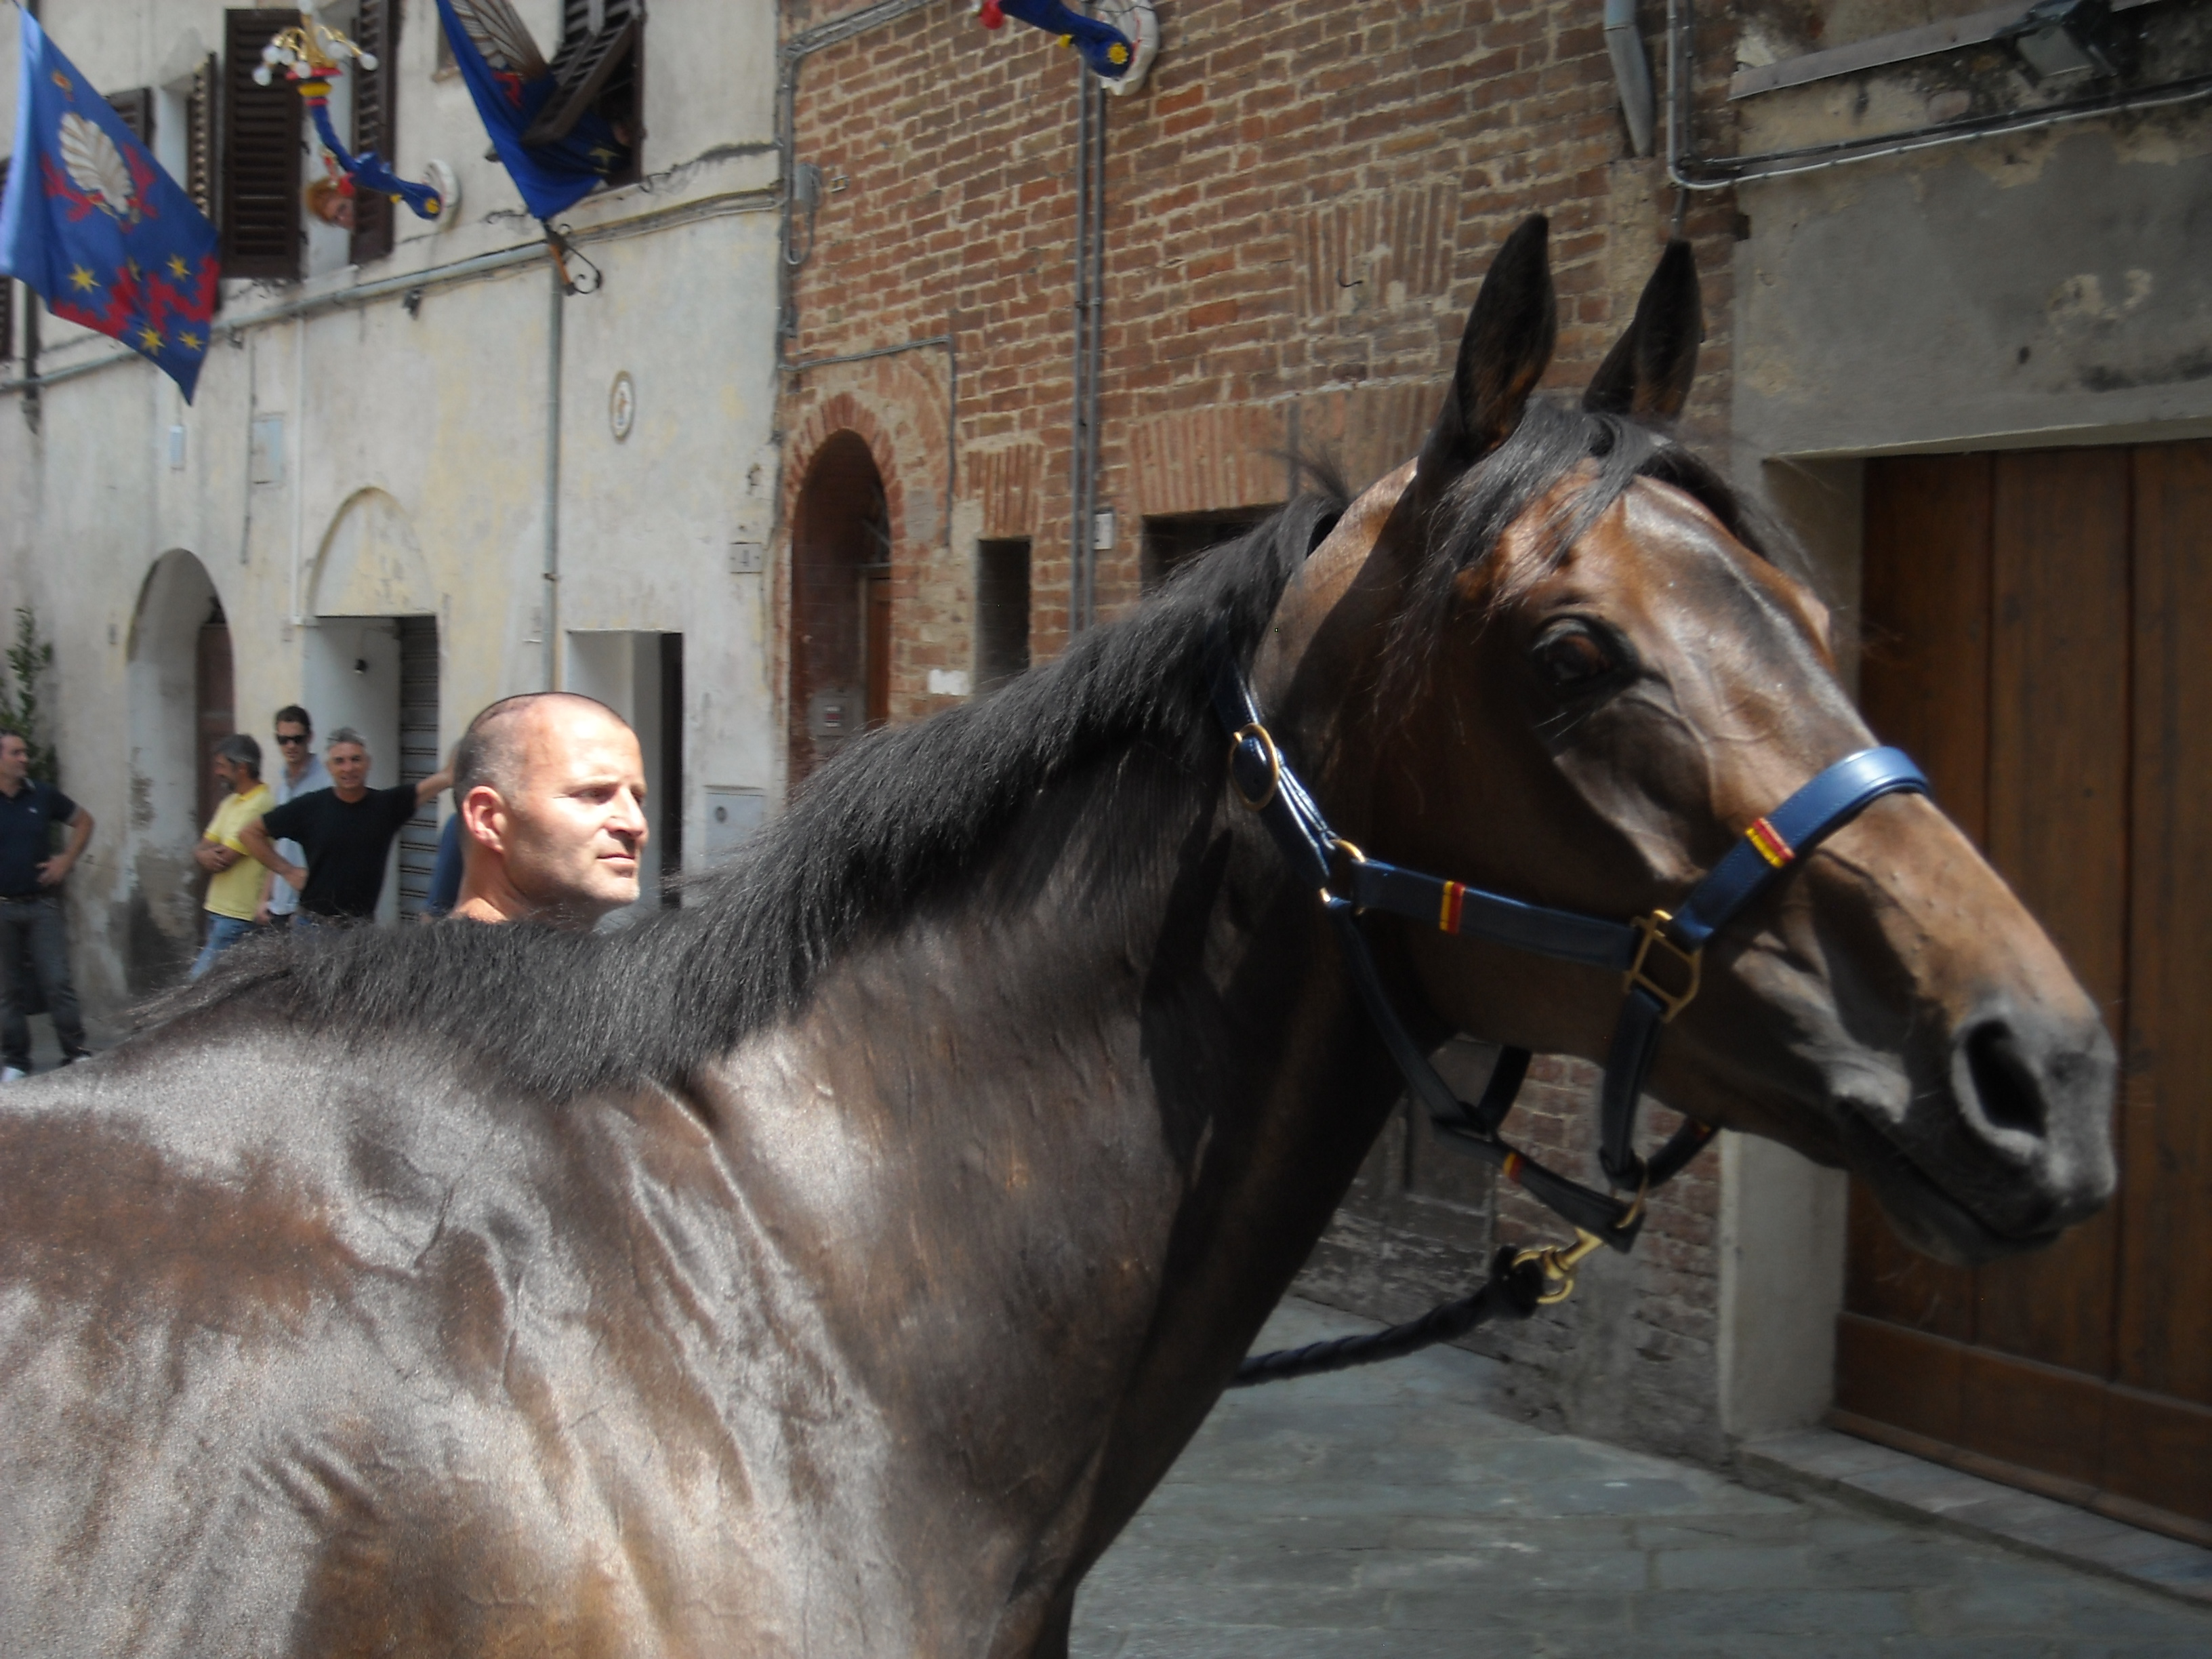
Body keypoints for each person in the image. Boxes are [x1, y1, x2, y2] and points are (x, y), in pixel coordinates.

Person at [448, 693, 649, 930]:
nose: (636, 824)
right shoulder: (440, 956)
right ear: (489, 819)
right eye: (593, 794)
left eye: (637, 799)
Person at [241, 728, 450, 925]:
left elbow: (442, 779)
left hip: (361, 931)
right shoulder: (310, 807)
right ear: (329, 767)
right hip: (314, 928)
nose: (348, 768)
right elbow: (250, 833)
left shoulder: (386, 806)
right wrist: (287, 871)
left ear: (368, 763)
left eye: (355, 760)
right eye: (339, 761)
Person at [0, 730, 93, 1080]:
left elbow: (84, 821)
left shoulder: (42, 794)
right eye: (16, 753)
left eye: (24, 752)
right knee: (7, 991)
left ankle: (76, 1053)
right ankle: (16, 1062)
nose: (24, 759)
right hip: (2, 907)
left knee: (57, 982)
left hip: (42, 905)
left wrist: (66, 860)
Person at [190, 735, 274, 980]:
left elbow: (224, 858)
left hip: (239, 913)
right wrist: (201, 854)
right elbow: (203, 846)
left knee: (199, 983)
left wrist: (203, 855)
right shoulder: (230, 803)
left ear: (242, 768)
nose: (217, 773)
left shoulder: (260, 803)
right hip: (218, 908)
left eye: (222, 766)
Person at [256, 704, 331, 929]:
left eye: (297, 739)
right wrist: (265, 898)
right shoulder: (283, 787)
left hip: (313, 909)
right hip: (281, 907)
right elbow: (280, 845)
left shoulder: (327, 782)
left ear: (310, 737)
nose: (291, 746)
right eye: (284, 740)